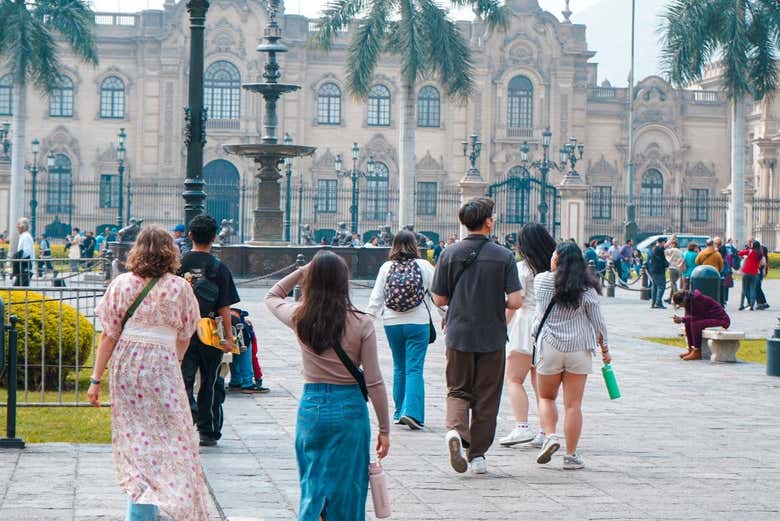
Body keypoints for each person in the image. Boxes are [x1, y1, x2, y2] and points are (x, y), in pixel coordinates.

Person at [88, 225, 209, 520]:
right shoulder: (181, 287)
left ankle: (141, 508)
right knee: (172, 439)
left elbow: (109, 335)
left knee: (134, 437)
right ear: (171, 251)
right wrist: (172, 364)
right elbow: (186, 332)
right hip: (164, 365)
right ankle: (167, 502)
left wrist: (95, 379)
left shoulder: (121, 285)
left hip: (127, 364)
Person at [265, 251, 390, 521]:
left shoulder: (300, 317)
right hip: (350, 410)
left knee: (313, 483)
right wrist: (384, 428)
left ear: (312, 281)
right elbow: (375, 382)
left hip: (312, 407)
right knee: (349, 488)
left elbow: (272, 296)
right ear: (344, 282)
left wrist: (302, 270)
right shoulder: (361, 322)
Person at [431, 197, 522, 475]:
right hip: (492, 334)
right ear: (488, 222)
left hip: (458, 332)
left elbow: (438, 298)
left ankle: (456, 432)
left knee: (457, 388)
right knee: (487, 396)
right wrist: (496, 303)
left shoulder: (449, 253)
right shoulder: (503, 256)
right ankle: (478, 455)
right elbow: (516, 301)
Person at [532, 242, 610, 470]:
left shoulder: (542, 281)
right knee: (573, 405)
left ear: (557, 258)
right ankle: (571, 455)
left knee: (546, 398)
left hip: (550, 346)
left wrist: (554, 263)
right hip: (579, 349)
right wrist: (605, 351)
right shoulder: (587, 289)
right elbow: (599, 323)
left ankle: (550, 436)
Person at [179, 214, 239, 447]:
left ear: (190, 235)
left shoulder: (178, 264)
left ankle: (187, 415)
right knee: (210, 381)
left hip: (182, 331)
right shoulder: (219, 268)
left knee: (183, 379)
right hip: (210, 331)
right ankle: (208, 429)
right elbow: (225, 307)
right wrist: (228, 339)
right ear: (214, 238)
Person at [367, 230, 435, 430]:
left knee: (399, 366)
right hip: (418, 322)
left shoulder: (386, 267)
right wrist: (447, 314)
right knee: (414, 367)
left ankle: (398, 412)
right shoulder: (424, 266)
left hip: (392, 323)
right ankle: (412, 412)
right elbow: (438, 293)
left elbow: (376, 297)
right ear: (414, 245)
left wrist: (368, 320)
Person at [499, 223, 556, 448]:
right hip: (547, 324)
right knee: (540, 383)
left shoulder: (522, 269)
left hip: (525, 324)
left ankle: (522, 426)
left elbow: (515, 303)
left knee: (514, 378)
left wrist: (500, 326)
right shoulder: (553, 268)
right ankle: (544, 430)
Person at [672, 289, 731, 361]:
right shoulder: (689, 302)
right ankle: (691, 350)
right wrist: (682, 319)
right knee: (688, 323)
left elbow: (699, 317)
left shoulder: (697, 300)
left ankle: (697, 351)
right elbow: (690, 318)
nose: (680, 306)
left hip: (721, 320)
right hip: (710, 318)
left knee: (695, 324)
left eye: (679, 304)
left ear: (683, 301)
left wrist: (682, 319)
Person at [738, 240, 764, 311]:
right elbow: (760, 263)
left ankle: (741, 305)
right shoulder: (760, 254)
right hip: (754, 273)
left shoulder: (749, 251)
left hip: (746, 272)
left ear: (753, 246)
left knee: (744, 290)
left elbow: (739, 253)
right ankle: (752, 305)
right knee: (753, 289)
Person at [12, 218, 34, 287]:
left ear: (23, 227)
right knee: (21, 291)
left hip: (25, 269)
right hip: (24, 269)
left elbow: (26, 252)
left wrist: (16, 257)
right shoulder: (24, 236)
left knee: (17, 290)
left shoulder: (26, 237)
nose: (17, 227)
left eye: (18, 225)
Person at [648, 237, 669, 309]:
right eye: (664, 242)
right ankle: (658, 303)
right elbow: (661, 260)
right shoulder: (658, 249)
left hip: (653, 270)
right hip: (658, 270)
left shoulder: (654, 249)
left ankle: (653, 303)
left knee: (654, 287)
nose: (665, 243)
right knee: (661, 286)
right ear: (662, 242)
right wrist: (667, 264)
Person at [714, 237, 733, 307]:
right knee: (724, 284)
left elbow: (720, 258)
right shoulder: (723, 248)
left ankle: (723, 299)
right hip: (725, 268)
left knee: (723, 284)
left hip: (722, 268)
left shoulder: (720, 249)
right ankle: (724, 299)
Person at [664, 238, 683, 303]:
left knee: (673, 283)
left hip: (672, 268)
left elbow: (664, 252)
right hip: (679, 268)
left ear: (673, 244)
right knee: (673, 283)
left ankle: (677, 297)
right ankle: (669, 298)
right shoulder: (680, 251)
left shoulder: (671, 250)